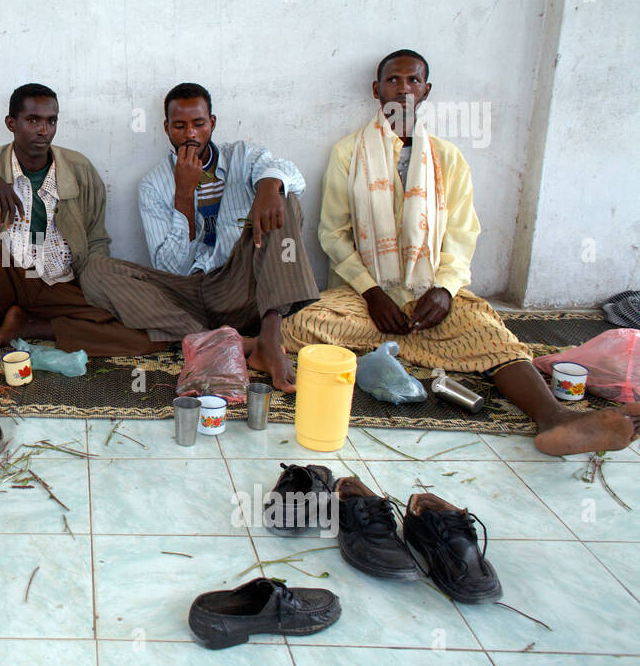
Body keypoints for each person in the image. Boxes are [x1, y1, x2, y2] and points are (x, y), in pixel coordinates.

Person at [281, 49, 640, 455]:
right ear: (376, 90)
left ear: (427, 91)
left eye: (413, 81)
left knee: (494, 334)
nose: (403, 89)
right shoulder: (348, 153)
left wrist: (445, 292)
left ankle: (554, 418)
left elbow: (462, 234)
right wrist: (372, 292)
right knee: (303, 323)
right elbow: (333, 234)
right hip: (366, 300)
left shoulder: (447, 158)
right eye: (394, 80)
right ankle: (418, 342)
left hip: (429, 298)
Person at [78, 82, 319, 392]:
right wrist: (183, 195)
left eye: (198, 124)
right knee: (96, 271)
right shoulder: (153, 184)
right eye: (179, 126)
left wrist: (269, 185)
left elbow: (289, 171)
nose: (190, 134)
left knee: (284, 198)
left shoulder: (242, 156)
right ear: (166, 128)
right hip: (187, 295)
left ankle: (270, 339)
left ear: (212, 123)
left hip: (240, 285)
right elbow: (171, 267)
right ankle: (227, 341)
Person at [0, 83, 165, 361]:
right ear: (11, 123)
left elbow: (96, 239)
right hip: (2, 276)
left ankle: (32, 326)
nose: (43, 131)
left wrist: (99, 289)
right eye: (32, 120)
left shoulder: (79, 169)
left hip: (58, 283)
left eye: (50, 121)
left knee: (151, 334)